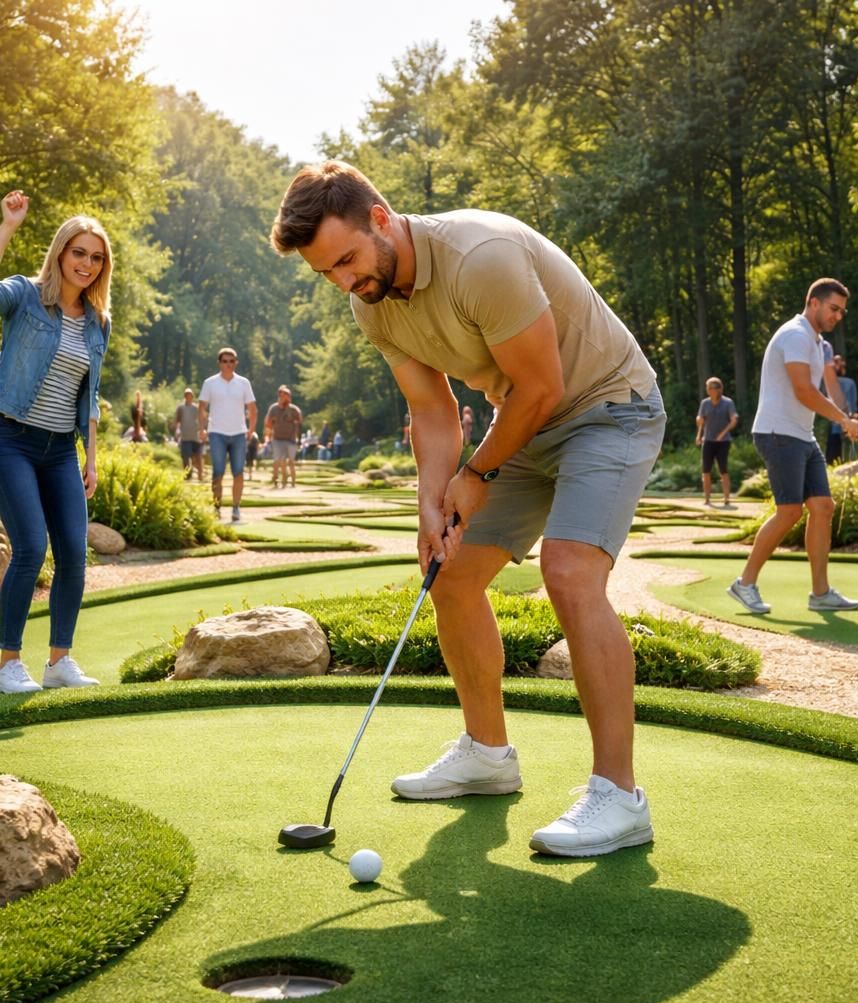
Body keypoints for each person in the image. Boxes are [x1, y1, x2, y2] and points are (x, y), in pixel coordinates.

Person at [271, 160, 666, 858]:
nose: (343, 282)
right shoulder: (371, 302)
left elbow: (543, 387)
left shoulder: (481, 256)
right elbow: (432, 410)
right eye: (326, 272)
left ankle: (620, 796)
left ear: (381, 219)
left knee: (570, 573)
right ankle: (487, 756)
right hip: (521, 422)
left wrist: (477, 473)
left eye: (347, 260)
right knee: (449, 574)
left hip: (607, 407)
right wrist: (431, 505)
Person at [0, 189, 108, 694]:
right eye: (79, 253)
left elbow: (90, 395)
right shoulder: (26, 295)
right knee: (30, 547)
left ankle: (59, 662)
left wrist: (92, 458)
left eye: (96, 257)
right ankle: (7, 666)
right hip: (10, 440)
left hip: (60, 451)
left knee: (73, 553)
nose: (86, 264)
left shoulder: (98, 322)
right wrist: (7, 227)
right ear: (61, 253)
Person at [727, 278, 858, 616]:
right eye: (833, 309)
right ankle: (744, 584)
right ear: (813, 302)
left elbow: (827, 388)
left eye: (842, 311)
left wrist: (847, 416)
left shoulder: (817, 343)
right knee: (789, 512)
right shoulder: (795, 335)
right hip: (778, 433)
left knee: (823, 507)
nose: (838, 316)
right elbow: (804, 391)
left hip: (802, 435)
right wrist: (842, 420)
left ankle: (821, 593)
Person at [198, 347, 257, 523]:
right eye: (225, 361)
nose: (228, 364)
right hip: (217, 432)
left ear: (236, 363)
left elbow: (252, 408)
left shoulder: (243, 383)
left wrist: (251, 429)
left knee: (238, 472)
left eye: (231, 361)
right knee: (218, 472)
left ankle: (236, 507)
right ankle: (216, 507)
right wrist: (202, 429)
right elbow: (202, 408)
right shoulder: (210, 383)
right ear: (219, 363)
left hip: (238, 433)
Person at [694, 377, 739, 507]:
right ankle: (707, 499)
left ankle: (726, 499)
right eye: (709, 388)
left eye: (713, 388)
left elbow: (734, 419)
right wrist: (698, 435)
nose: (711, 390)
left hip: (723, 442)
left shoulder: (728, 403)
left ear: (719, 389)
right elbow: (700, 420)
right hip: (708, 441)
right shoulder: (705, 403)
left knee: (723, 470)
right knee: (706, 471)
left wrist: (722, 433)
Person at [264, 384, 303, 487]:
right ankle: (277, 478)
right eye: (284, 396)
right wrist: (267, 438)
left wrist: (299, 440)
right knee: (278, 460)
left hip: (291, 439)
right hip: (277, 439)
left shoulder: (294, 409)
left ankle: (292, 482)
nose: (286, 398)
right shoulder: (273, 409)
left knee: (290, 461)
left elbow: (300, 423)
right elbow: (268, 424)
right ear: (279, 396)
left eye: (288, 396)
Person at [824, 354, 858, 464]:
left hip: (832, 417)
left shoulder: (826, 382)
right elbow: (852, 402)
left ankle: (832, 463)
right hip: (847, 418)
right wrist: (853, 415)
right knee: (848, 445)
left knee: (833, 445)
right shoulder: (850, 382)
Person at [175, 387, 204, 481]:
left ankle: (200, 475)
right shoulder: (181, 408)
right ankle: (187, 475)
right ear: (185, 396)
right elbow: (177, 420)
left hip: (195, 436)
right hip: (185, 436)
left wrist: (202, 430)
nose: (188, 397)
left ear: (192, 396)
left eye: (190, 395)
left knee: (198, 456)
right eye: (187, 395)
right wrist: (177, 431)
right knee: (185, 457)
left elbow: (202, 419)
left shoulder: (196, 408)